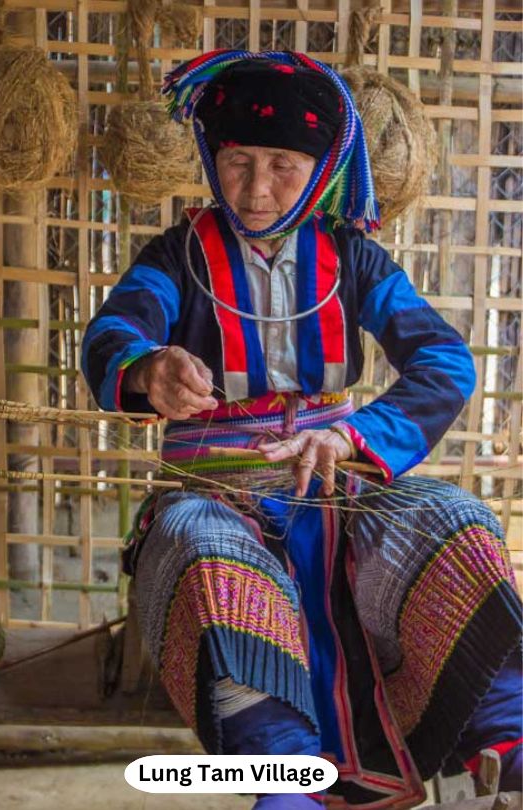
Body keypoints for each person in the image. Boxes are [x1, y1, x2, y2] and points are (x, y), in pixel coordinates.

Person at [83, 50, 522, 808]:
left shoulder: (352, 259)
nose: (256, 189)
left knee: (454, 521)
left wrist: (355, 437)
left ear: (321, 169)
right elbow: (113, 334)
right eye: (237, 160)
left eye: (283, 165)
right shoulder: (176, 257)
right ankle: (281, 783)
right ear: (210, 156)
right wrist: (148, 368)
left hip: (336, 486)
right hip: (214, 490)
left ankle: (508, 738)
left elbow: (444, 362)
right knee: (208, 555)